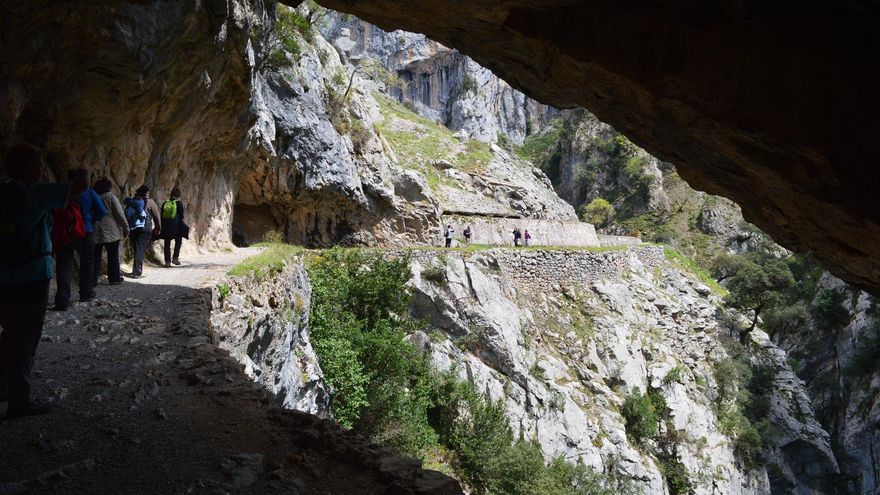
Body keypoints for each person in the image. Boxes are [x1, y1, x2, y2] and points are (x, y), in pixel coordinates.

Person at [0, 145, 87, 418]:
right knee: (26, 337)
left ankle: (3, 388)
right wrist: (77, 166)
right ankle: (19, 401)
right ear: (27, 168)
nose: (40, 169)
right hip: (32, 275)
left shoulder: (3, 193)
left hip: (4, 275)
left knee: (9, 333)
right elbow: (81, 186)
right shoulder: (34, 193)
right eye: (36, 165)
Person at [53, 168, 107, 310]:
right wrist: (90, 220)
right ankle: (86, 292)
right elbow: (102, 211)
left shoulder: (61, 191)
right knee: (87, 262)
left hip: (64, 231)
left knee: (64, 263)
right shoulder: (88, 192)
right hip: (85, 231)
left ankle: (62, 299)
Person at [92, 178, 128, 285]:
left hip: (95, 229)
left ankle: (92, 280)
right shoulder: (111, 197)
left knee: (95, 257)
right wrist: (126, 227)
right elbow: (119, 214)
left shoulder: (93, 197)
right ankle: (114, 278)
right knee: (112, 256)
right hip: (111, 231)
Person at [127, 185, 161, 278]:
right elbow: (156, 216)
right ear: (147, 193)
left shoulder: (133, 200)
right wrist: (158, 228)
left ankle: (135, 270)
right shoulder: (150, 202)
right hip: (145, 228)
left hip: (133, 227)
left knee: (136, 248)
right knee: (140, 249)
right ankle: (137, 272)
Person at [160, 187, 185, 267]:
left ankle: (167, 262)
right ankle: (175, 258)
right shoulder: (179, 204)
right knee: (178, 241)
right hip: (176, 227)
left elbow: (161, 215)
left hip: (166, 226)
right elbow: (181, 216)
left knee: (167, 243)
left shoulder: (165, 203)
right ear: (178, 195)